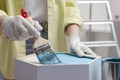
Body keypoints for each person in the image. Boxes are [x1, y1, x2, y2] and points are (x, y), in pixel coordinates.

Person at [0, 0, 97, 79]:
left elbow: (70, 6)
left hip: (55, 35)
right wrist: (4, 22)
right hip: (16, 31)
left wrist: (74, 37)